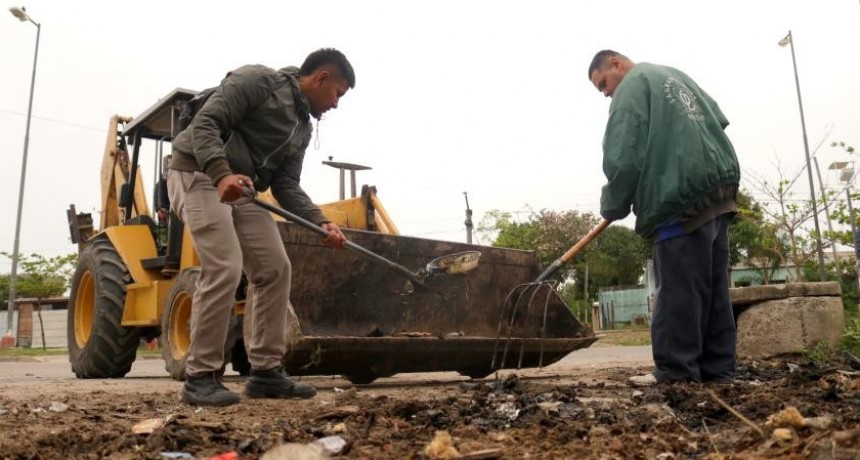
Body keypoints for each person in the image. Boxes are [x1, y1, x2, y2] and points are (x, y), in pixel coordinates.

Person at [167, 48, 354, 406]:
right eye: (338, 95)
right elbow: (205, 124)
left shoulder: (302, 128)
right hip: (197, 171)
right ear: (322, 79)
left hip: (243, 188)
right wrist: (221, 174)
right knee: (225, 264)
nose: (336, 104)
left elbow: (286, 185)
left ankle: (266, 372)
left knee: (274, 267)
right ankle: (200, 376)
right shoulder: (258, 81)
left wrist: (322, 221)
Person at [587, 50, 740, 385]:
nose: (607, 93)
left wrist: (613, 203)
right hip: (718, 189)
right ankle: (719, 371)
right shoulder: (676, 75)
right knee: (713, 290)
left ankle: (676, 371)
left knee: (679, 288)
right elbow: (718, 120)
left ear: (617, 64)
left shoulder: (633, 86)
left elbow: (625, 156)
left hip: (677, 195)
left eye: (604, 85)